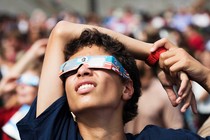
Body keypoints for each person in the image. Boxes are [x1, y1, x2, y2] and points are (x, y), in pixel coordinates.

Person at [17, 21, 206, 140]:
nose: (82, 70)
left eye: (98, 62)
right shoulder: (51, 134)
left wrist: (205, 75)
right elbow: (61, 32)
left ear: (126, 88)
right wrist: (153, 54)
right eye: (71, 68)